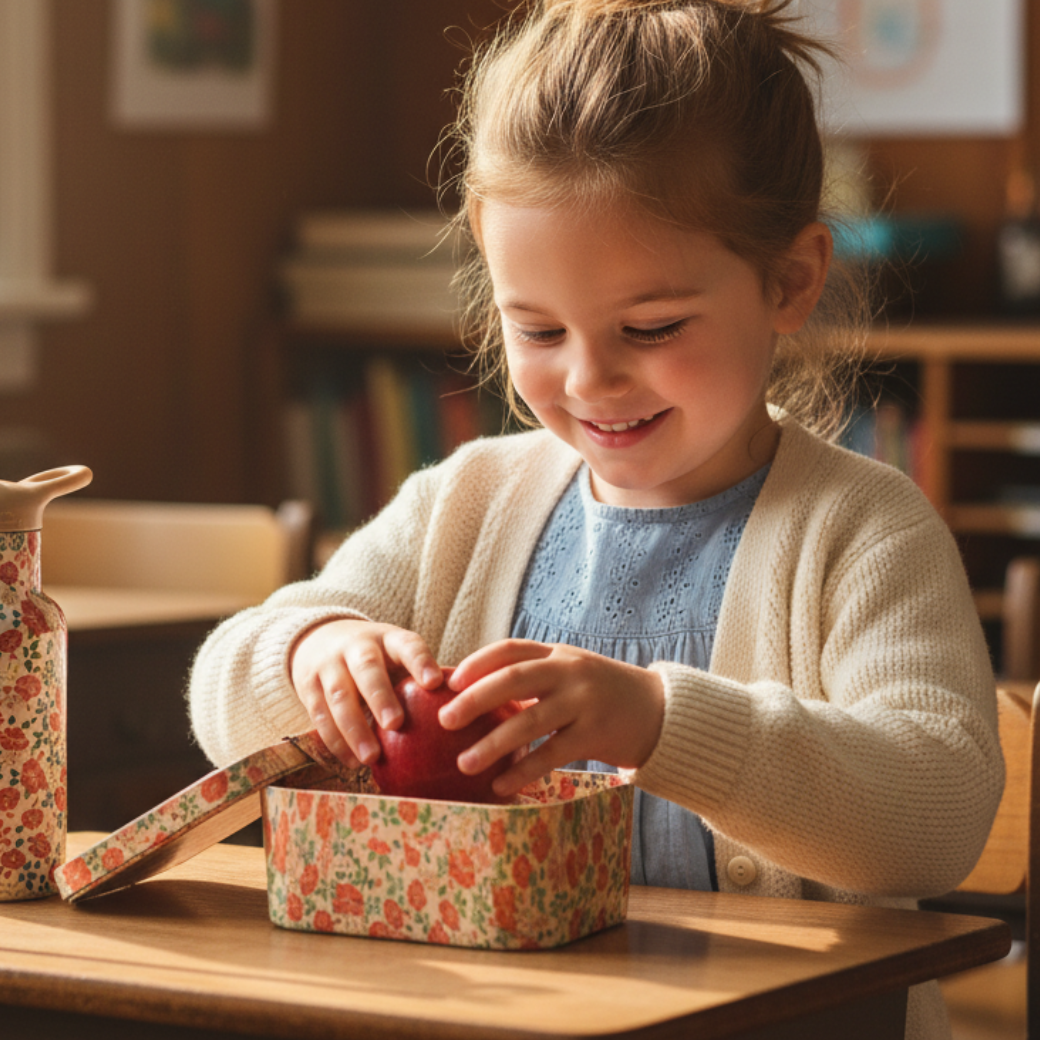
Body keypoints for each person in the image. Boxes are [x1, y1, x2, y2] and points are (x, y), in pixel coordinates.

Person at [189, 3, 1003, 1037]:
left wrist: (664, 726)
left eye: (650, 326)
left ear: (789, 280)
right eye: (534, 326)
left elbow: (933, 814)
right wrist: (312, 650)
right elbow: (224, 697)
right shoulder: (464, 504)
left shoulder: (862, 530)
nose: (587, 377)